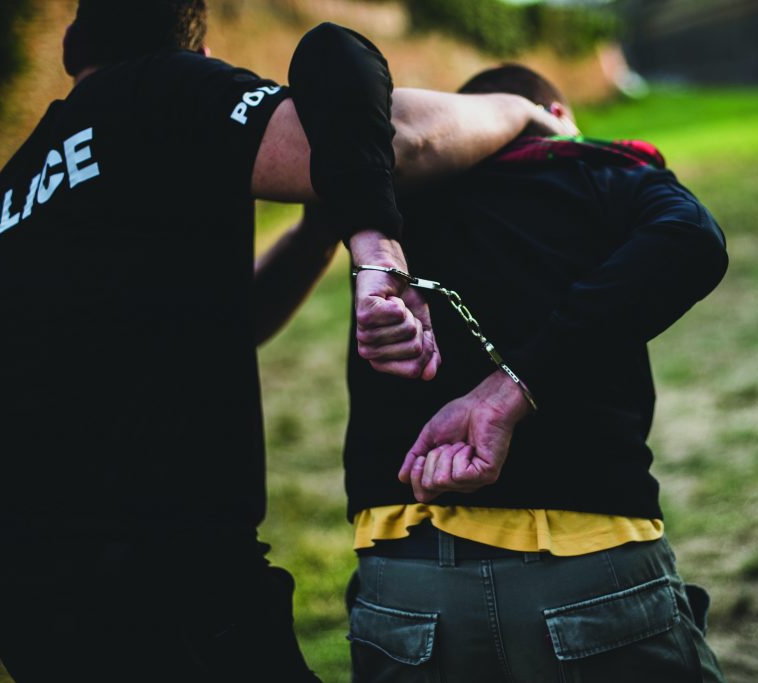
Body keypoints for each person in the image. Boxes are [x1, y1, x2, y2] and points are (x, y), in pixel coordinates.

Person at [0, 2, 571, 679]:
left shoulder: (17, 185)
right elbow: (377, 146)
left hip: (33, 593)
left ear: (69, 47)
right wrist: (522, 110)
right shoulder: (165, 90)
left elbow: (218, 323)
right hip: (168, 578)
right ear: (201, 53)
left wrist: (313, 233)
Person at [261, 65, 729, 681]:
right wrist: (515, 384)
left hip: (408, 585)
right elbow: (692, 239)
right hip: (591, 562)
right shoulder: (605, 168)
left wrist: (327, 219)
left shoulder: (382, 196)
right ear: (557, 117)